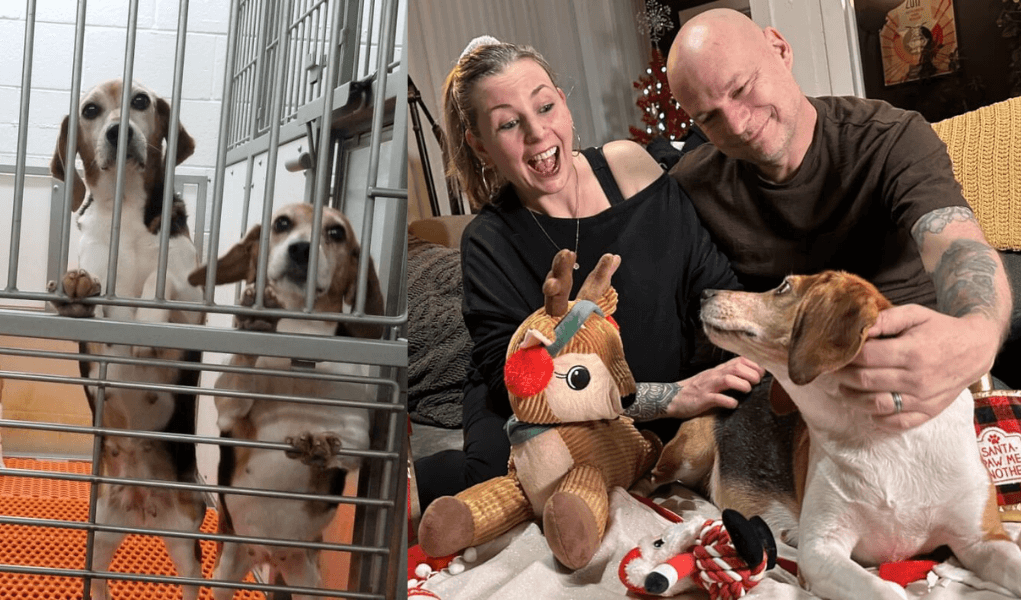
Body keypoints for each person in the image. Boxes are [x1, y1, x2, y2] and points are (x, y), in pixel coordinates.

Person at [414, 36, 764, 510]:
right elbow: (523, 383)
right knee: (502, 486)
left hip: (667, 395)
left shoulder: (629, 167)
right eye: (509, 123)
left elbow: (712, 283)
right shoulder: (487, 241)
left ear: (564, 102)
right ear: (480, 144)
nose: (538, 134)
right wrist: (669, 398)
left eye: (545, 106)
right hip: (539, 409)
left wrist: (759, 356)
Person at [665, 9, 1013, 431]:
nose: (737, 124)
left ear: (779, 49)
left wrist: (976, 336)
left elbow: (958, 248)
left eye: (741, 88)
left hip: (921, 378)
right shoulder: (690, 184)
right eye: (709, 118)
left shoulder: (891, 137)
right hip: (800, 406)